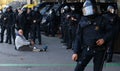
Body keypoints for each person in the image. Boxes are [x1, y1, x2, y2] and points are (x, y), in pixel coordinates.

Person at [72, 0, 113, 71]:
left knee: (97, 69)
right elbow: (78, 37)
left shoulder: (102, 19)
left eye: (90, 9)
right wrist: (75, 52)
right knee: (78, 68)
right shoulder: (83, 20)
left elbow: (111, 32)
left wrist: (104, 39)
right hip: (87, 48)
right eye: (86, 9)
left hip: (99, 50)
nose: (88, 11)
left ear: (95, 9)